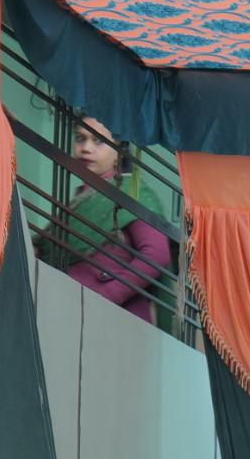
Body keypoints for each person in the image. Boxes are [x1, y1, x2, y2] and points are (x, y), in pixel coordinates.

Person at [34, 116, 174, 323]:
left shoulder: (132, 194)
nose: (86, 148)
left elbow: (156, 254)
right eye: (80, 138)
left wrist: (106, 296)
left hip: (113, 321)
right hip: (70, 315)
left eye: (98, 141)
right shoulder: (81, 201)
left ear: (119, 151)